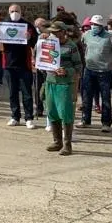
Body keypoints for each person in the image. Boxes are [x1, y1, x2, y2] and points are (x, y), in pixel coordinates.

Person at [78, 14, 112, 133]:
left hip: (104, 72)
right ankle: (85, 119)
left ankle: (106, 123)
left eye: (97, 25)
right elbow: (81, 44)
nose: (94, 27)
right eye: (93, 24)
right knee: (86, 96)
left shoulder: (110, 37)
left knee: (105, 98)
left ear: (101, 26)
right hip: (89, 70)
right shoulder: (87, 35)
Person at [42, 22, 83, 156]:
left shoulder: (71, 47)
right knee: (52, 111)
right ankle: (57, 141)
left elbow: (78, 67)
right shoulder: (47, 44)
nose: (53, 34)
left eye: (56, 32)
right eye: (51, 32)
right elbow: (40, 59)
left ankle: (67, 144)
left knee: (65, 113)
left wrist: (66, 71)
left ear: (63, 32)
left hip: (64, 84)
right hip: (50, 82)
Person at [2, 4, 37, 128]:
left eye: (17, 11)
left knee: (27, 93)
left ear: (21, 12)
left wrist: (30, 37)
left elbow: (35, 43)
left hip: (24, 65)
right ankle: (15, 116)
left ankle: (29, 118)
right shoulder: (3, 25)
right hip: (9, 65)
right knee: (12, 93)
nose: (14, 13)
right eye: (12, 11)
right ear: (8, 12)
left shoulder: (28, 26)